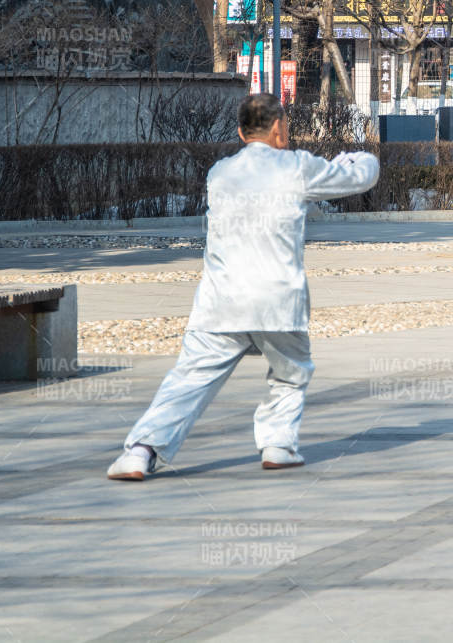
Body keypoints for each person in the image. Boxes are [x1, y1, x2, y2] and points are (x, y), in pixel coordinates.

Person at [109, 93, 379, 480]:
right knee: (290, 373)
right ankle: (278, 446)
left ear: (240, 132)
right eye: (285, 124)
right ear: (278, 127)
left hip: (222, 301)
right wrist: (359, 157)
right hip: (278, 301)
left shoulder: (220, 172)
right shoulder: (297, 167)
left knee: (189, 379)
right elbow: (358, 177)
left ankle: (141, 451)